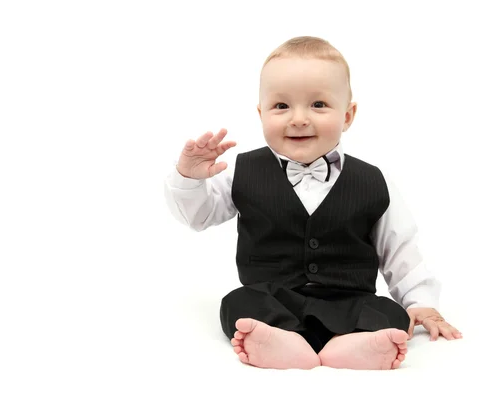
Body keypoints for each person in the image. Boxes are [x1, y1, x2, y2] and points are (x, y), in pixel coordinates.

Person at [163, 36, 462, 370]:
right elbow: (199, 216)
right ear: (261, 114)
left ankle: (351, 345)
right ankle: (283, 340)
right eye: (281, 106)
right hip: (274, 296)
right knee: (238, 302)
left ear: (348, 115)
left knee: (391, 313)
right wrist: (189, 177)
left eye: (318, 105)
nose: (299, 118)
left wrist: (421, 302)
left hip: (350, 299)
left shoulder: (372, 179)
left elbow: (400, 247)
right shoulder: (242, 171)